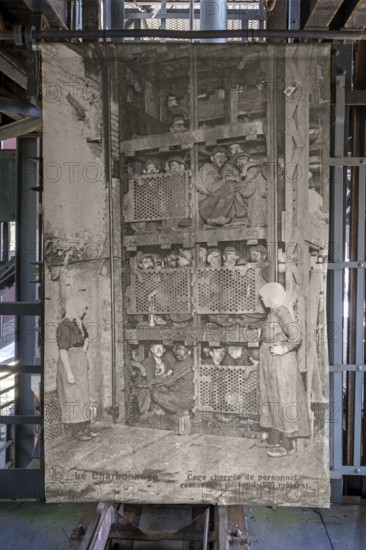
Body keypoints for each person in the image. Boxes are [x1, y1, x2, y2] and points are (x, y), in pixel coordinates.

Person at [257, 282, 310, 457]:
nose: (262, 299)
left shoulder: (282, 312)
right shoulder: (274, 312)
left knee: (284, 399)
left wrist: (284, 348)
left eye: (264, 296)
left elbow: (296, 337)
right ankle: (278, 440)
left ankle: (288, 445)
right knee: (273, 399)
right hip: (272, 363)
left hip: (281, 364)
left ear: (273, 295)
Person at [56, 297, 98, 441]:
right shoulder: (65, 325)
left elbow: (86, 338)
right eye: (84, 308)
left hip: (79, 362)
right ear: (75, 306)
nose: (85, 311)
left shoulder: (79, 323)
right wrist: (69, 372)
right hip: (69, 362)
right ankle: (77, 431)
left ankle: (86, 427)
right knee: (72, 396)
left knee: (83, 396)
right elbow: (62, 350)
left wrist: (83, 353)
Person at [196, 147, 243, 226]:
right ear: (212, 158)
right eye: (218, 157)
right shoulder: (207, 167)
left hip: (211, 206)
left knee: (235, 186)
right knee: (230, 185)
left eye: (223, 157)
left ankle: (236, 217)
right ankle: (215, 217)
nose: (221, 159)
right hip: (202, 208)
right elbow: (212, 189)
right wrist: (227, 178)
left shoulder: (220, 171)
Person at [150, 344, 194, 416]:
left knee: (155, 395)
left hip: (184, 398)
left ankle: (181, 412)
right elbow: (175, 370)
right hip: (190, 396)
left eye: (181, 350)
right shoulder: (190, 360)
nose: (178, 352)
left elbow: (170, 383)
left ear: (189, 352)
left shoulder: (183, 364)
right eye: (178, 350)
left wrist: (158, 378)